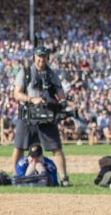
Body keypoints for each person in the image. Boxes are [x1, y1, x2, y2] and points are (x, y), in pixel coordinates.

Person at [12, 46, 71, 186]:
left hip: (47, 116)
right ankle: (16, 176)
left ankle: (64, 178)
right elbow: (17, 94)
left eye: (44, 56)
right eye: (39, 56)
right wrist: (32, 100)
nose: (41, 59)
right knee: (19, 148)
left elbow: (60, 93)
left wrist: (62, 103)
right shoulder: (25, 72)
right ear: (34, 57)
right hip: (27, 115)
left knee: (56, 148)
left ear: (47, 58)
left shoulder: (52, 74)